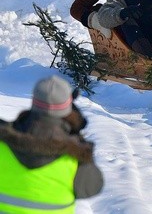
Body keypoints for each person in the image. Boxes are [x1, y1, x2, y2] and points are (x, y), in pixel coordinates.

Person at [0, 75, 103, 213]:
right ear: (68, 108)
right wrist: (77, 137)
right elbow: (92, 187)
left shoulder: (4, 142)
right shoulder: (75, 155)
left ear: (34, 102)